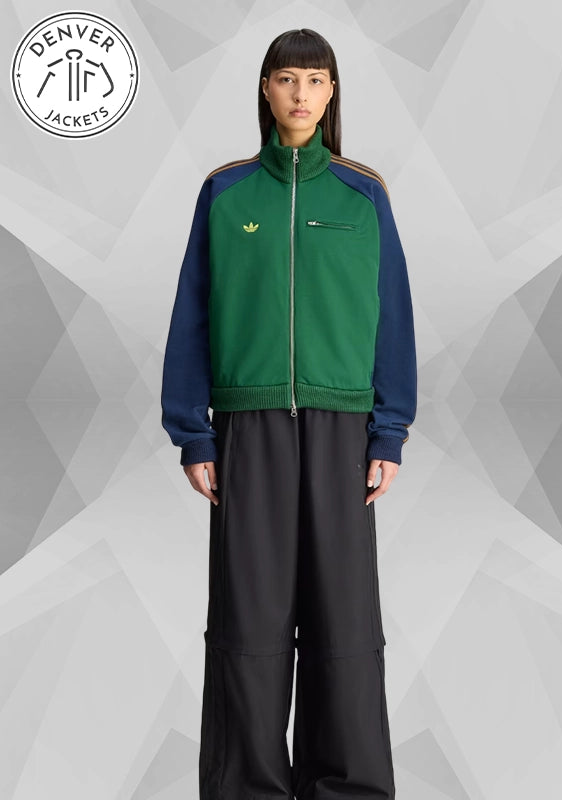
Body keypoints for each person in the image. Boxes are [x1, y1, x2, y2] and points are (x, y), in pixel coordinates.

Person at [161, 27, 417, 800]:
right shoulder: (226, 192)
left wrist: (390, 429)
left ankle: (349, 786)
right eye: (286, 78)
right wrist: (194, 432)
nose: (301, 93)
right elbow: (192, 314)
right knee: (250, 620)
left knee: (344, 623)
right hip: (250, 427)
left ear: (332, 92)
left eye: (315, 79)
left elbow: (392, 315)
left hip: (344, 431)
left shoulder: (363, 194)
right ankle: (247, 786)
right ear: (265, 90)